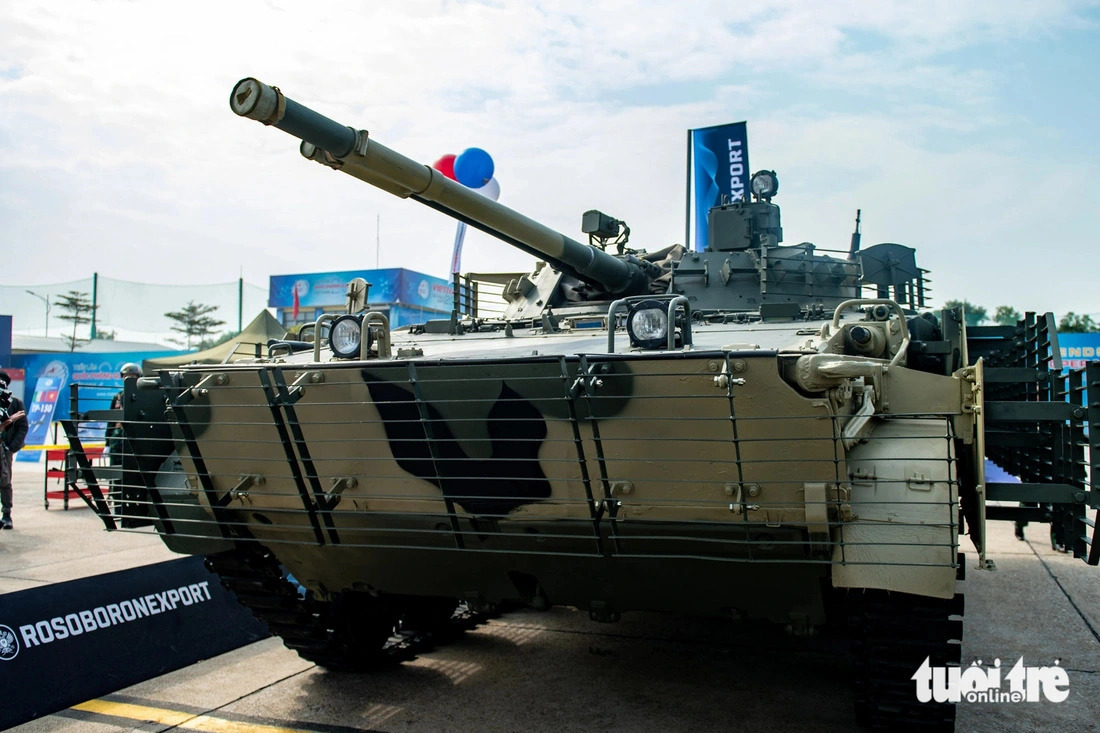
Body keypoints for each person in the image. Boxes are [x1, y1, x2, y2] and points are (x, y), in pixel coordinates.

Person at [0, 370, 29, 530]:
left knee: (5, 481)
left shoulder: (14, 403)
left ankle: (6, 513)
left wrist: (12, 447)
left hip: (5, 449)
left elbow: (23, 426)